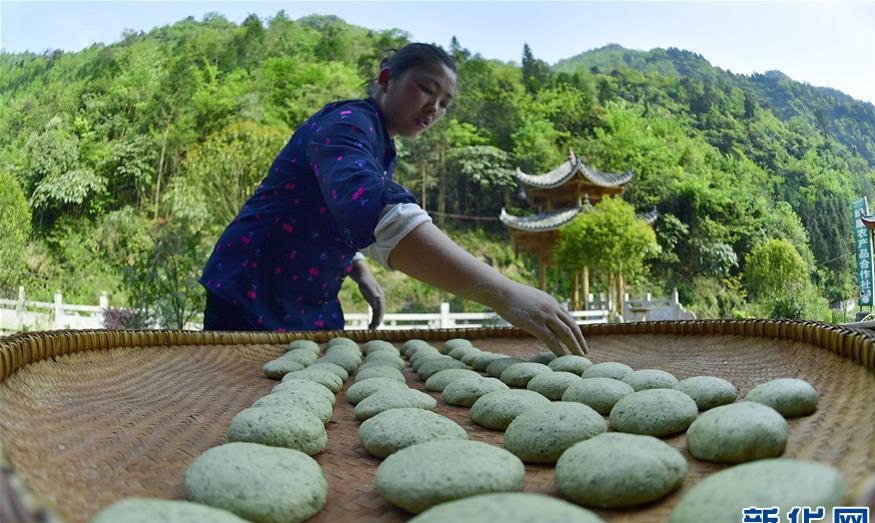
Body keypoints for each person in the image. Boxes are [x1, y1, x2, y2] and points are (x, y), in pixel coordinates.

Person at [200, 43, 587, 356]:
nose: (435, 108)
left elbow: (327, 210)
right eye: (426, 89)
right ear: (387, 79)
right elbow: (365, 205)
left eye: (445, 102)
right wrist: (505, 294)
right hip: (253, 291)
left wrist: (358, 268)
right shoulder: (346, 122)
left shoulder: (380, 144)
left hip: (309, 297)